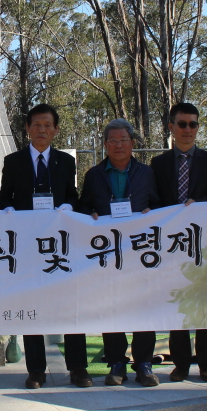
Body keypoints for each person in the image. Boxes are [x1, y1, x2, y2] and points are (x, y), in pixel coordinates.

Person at [0, 104, 91, 390]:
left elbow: (73, 198)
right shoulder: (13, 161)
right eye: (36, 125)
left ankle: (78, 368)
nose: (42, 130)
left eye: (48, 125)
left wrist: (67, 206)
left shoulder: (65, 161)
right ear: (27, 128)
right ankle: (36, 370)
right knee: (32, 305)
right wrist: (9, 211)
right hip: (27, 246)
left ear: (55, 130)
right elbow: (3, 199)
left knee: (69, 305)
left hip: (60, 247)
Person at [76, 118, 160, 387]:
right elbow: (83, 208)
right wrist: (91, 214)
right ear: (105, 145)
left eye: (123, 140)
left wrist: (152, 213)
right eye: (113, 141)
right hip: (108, 253)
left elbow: (160, 206)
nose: (119, 145)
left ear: (132, 143)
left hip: (140, 251)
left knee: (144, 305)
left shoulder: (147, 173)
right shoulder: (94, 175)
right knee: (111, 305)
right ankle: (117, 362)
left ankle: (144, 363)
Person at [150, 102, 207, 383]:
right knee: (178, 305)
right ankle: (180, 365)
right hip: (172, 247)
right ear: (171, 127)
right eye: (181, 124)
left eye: (192, 124)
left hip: (204, 245)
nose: (187, 130)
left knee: (205, 307)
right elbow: (154, 200)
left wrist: (199, 204)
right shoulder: (158, 164)